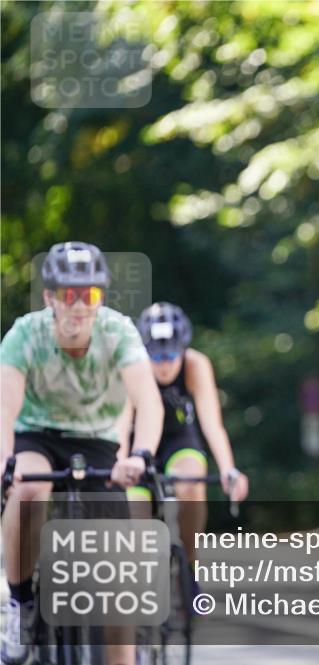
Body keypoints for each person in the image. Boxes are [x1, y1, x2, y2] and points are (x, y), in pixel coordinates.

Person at [1, 242, 163, 665]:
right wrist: (5, 461)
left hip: (97, 442)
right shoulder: (25, 334)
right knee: (27, 495)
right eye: (67, 295)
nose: (77, 306)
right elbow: (5, 406)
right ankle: (20, 603)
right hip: (36, 434)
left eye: (88, 294)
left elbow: (148, 401)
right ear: (49, 298)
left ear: (100, 298)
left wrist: (140, 455)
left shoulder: (118, 332)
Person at [117, 302, 249, 566]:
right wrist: (120, 463)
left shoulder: (195, 364)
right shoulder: (131, 367)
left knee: (191, 482)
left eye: (170, 357)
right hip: (139, 445)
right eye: (156, 357)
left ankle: (190, 565)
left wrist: (228, 469)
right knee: (135, 512)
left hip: (179, 440)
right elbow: (121, 422)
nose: (164, 366)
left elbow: (212, 423)